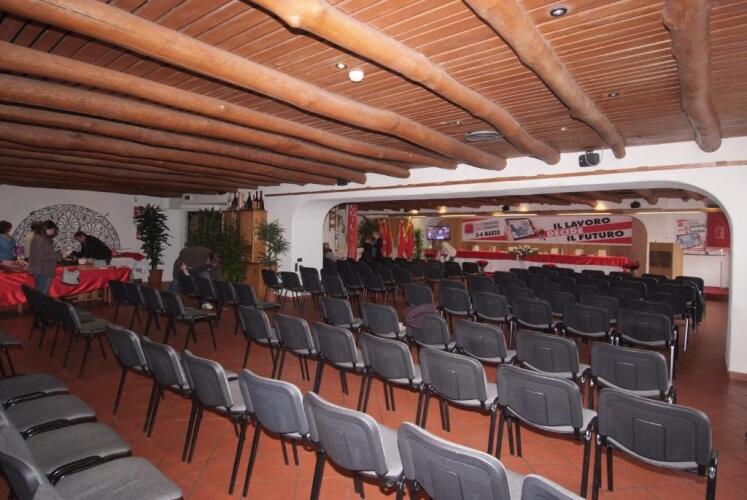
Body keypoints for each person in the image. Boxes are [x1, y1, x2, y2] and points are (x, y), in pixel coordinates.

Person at [28, 220, 65, 294]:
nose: (53, 232)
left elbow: (47, 253)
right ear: (47, 228)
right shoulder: (39, 239)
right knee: (42, 294)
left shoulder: (43, 238)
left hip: (44, 270)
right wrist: (60, 255)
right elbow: (43, 256)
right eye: (53, 229)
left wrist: (59, 253)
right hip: (42, 270)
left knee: (42, 294)